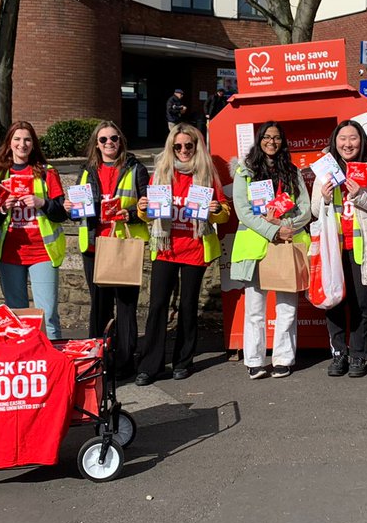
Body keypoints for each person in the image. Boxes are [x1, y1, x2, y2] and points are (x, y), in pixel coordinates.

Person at [133, 123, 231, 385]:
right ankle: (150, 365)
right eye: (178, 146)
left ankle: (183, 362)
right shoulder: (162, 173)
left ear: (196, 147)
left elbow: (224, 212)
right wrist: (143, 208)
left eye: (189, 145)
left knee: (188, 307)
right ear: (171, 147)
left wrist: (214, 209)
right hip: (166, 247)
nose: (184, 150)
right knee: (157, 306)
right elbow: (147, 216)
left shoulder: (206, 174)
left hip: (194, 247)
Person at [230, 121, 312, 379]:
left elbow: (305, 209)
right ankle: (254, 360)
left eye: (276, 138)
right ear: (259, 139)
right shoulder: (244, 171)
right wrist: (272, 231)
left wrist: (285, 225)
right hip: (255, 247)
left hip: (286, 244)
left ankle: (283, 358)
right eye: (267, 137)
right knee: (255, 307)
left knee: (287, 307)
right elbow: (243, 211)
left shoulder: (292, 171)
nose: (271, 142)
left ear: (282, 141)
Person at [311, 120, 367, 378]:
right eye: (342, 138)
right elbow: (314, 211)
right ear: (335, 141)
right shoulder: (325, 170)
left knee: (360, 306)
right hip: (333, 248)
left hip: (361, 248)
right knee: (333, 302)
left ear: (362, 141)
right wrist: (324, 197)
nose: (348, 144)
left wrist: (359, 195)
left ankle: (358, 355)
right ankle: (338, 354)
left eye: (353, 138)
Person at [69, 120, 149, 376]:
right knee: (99, 307)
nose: (109, 143)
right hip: (94, 246)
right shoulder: (86, 171)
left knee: (125, 306)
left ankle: (125, 363)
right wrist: (71, 208)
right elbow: (76, 214)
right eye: (103, 139)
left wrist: (132, 215)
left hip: (123, 245)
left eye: (114, 138)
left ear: (121, 141)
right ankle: (98, 361)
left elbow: (149, 208)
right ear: (96, 144)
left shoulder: (136, 169)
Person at [0, 122, 69, 339]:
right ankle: (23, 361)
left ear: (33, 144)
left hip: (42, 252)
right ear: (9, 143)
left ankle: (52, 366)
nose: (22, 144)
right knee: (16, 316)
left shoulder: (47, 172)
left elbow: (61, 214)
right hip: (10, 254)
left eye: (27, 139)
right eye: (17, 139)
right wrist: (2, 209)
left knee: (47, 315)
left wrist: (42, 202)